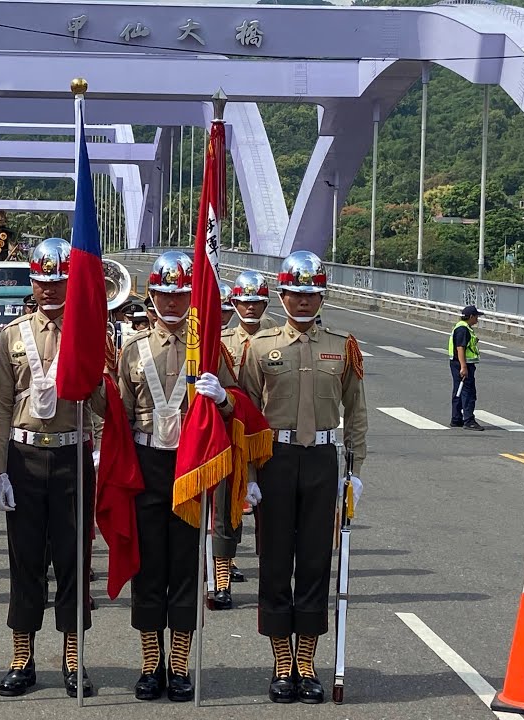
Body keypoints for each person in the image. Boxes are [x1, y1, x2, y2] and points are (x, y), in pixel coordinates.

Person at [242, 250, 367, 704]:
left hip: (321, 461)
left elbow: (355, 411)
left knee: (315, 561)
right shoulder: (260, 347)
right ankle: (281, 661)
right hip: (275, 456)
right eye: (295, 293)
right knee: (276, 560)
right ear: (282, 294)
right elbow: (247, 415)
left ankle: (306, 662)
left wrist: (354, 470)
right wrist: (249, 474)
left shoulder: (342, 345)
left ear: (321, 296)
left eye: (310, 293)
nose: (302, 301)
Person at [0, 237, 107, 698]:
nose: (51, 289)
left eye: (59, 280)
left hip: (72, 453)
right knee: (25, 561)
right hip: (24, 456)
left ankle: (73, 657)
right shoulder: (11, 336)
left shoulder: (90, 332)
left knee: (73, 561)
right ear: (32, 284)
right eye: (43, 281)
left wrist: (96, 369)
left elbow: (103, 401)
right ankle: (23, 654)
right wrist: (0, 470)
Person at [119, 250, 238, 702]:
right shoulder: (133, 349)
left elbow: (234, 405)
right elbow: (122, 420)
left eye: (180, 295)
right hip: (148, 464)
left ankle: (180, 665)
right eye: (164, 295)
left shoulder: (206, 346)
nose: (171, 303)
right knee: (149, 569)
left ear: (191, 296)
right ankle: (151, 664)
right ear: (152, 297)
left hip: (190, 466)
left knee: (185, 568)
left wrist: (221, 397)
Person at [208, 270, 279, 610]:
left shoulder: (280, 339)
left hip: (270, 437)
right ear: (233, 303)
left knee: (275, 514)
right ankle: (222, 582)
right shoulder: (220, 342)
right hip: (233, 436)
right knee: (226, 511)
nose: (250, 308)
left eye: (257, 302)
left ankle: (274, 577)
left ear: (265, 303)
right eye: (244, 302)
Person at [450, 305, 485, 430]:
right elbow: (460, 347)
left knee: (459, 391)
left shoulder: (462, 327)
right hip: (463, 364)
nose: (477, 319)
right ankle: (469, 420)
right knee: (468, 392)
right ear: (471, 316)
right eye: (476, 316)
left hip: (458, 363)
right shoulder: (463, 329)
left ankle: (456, 419)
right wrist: (463, 367)